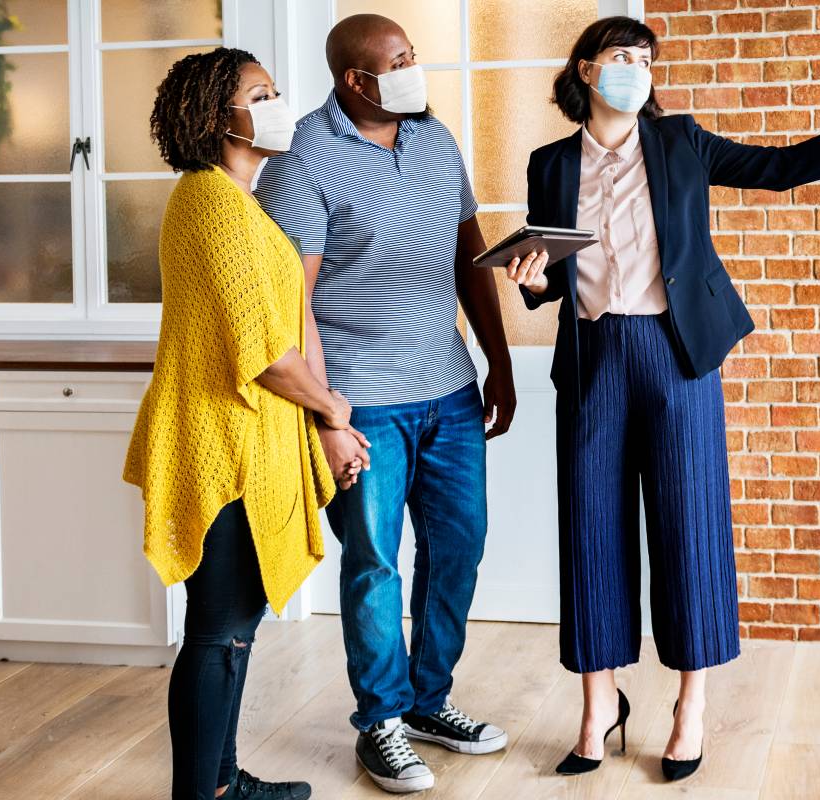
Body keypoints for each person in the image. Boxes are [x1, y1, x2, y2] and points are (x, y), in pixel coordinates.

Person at [507, 16, 820, 783]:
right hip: (592, 361)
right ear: (585, 71)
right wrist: (532, 277)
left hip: (678, 356)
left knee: (689, 525)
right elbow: (549, 281)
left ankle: (690, 708)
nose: (636, 70)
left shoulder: (680, 143)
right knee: (590, 529)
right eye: (620, 57)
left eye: (645, 59)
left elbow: (781, 167)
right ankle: (597, 705)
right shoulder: (550, 164)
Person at [253, 13, 526, 795]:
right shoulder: (304, 158)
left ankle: (429, 703)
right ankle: (380, 721)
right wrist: (328, 417)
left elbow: (469, 255)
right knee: (373, 561)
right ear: (355, 80)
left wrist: (497, 363)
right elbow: (289, 304)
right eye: (398, 60)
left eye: (414, 56)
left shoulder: (434, 138)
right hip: (364, 402)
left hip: (448, 388)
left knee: (459, 547)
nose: (414, 69)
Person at [125, 47, 358, 800]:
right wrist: (332, 409)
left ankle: (223, 782)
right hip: (221, 447)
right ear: (215, 113)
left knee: (233, 629)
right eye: (260, 94)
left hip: (249, 442)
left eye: (275, 91)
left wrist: (323, 425)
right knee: (219, 631)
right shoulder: (209, 201)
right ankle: (203, 794)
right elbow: (260, 353)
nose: (276, 103)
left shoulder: (235, 201)